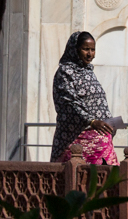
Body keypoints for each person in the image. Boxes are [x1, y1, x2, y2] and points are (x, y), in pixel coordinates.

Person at [51, 31, 120, 165]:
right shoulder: (65, 72)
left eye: (93, 50)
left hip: (99, 138)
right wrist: (92, 121)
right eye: (85, 49)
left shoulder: (88, 72)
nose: (90, 54)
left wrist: (110, 124)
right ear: (75, 50)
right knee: (75, 178)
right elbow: (69, 102)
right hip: (74, 139)